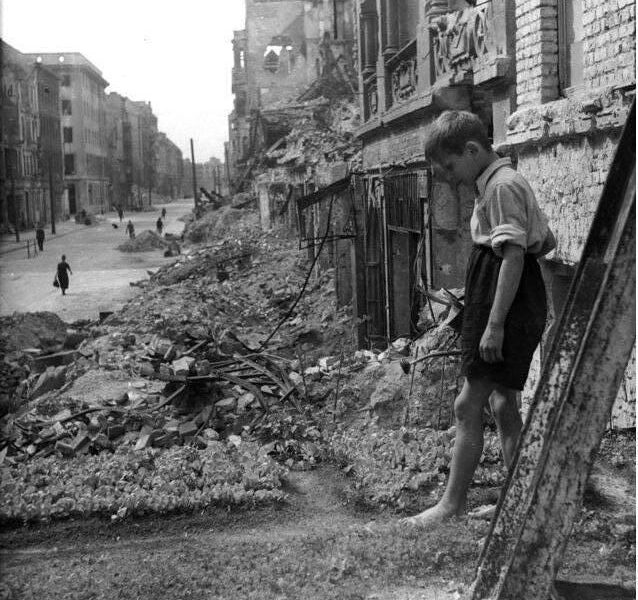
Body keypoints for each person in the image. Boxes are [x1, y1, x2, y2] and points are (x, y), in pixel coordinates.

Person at [403, 110, 556, 527]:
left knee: (467, 404)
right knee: (503, 403)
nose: (449, 176)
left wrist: (494, 323)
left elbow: (512, 256)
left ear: (472, 150)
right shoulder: (498, 182)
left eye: (451, 166)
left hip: (504, 300)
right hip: (502, 294)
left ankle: (450, 506)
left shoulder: (502, 186)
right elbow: (535, 242)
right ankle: (521, 504)